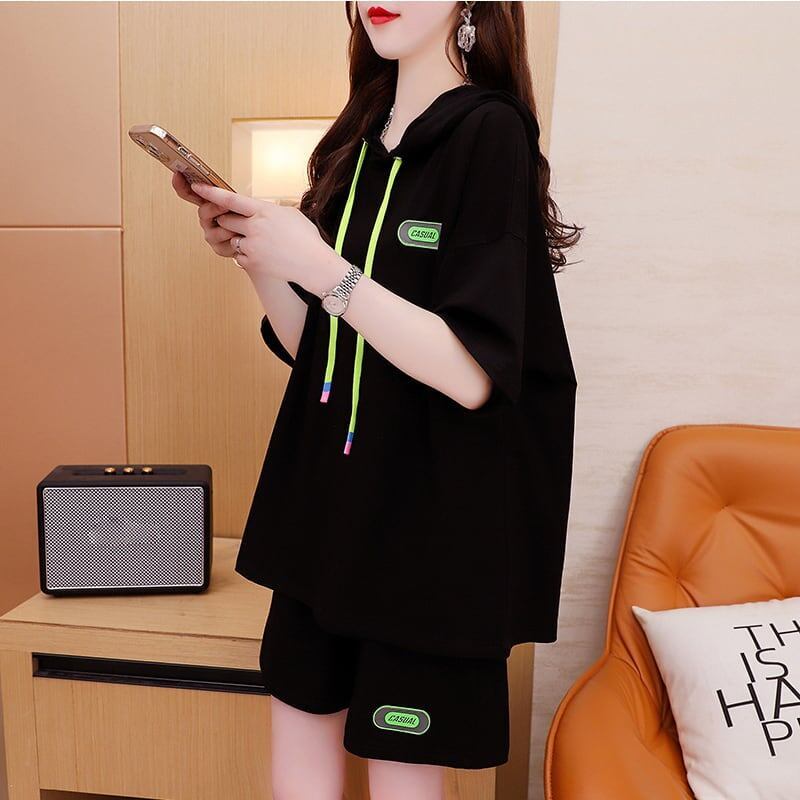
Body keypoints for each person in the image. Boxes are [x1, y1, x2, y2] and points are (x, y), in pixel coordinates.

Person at [173, 2, 580, 797]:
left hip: (427, 536)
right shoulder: (356, 139)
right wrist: (259, 259)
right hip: (323, 513)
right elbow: (318, 352)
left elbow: (474, 373)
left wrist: (320, 266)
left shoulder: (489, 133)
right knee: (297, 749)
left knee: (401, 777)